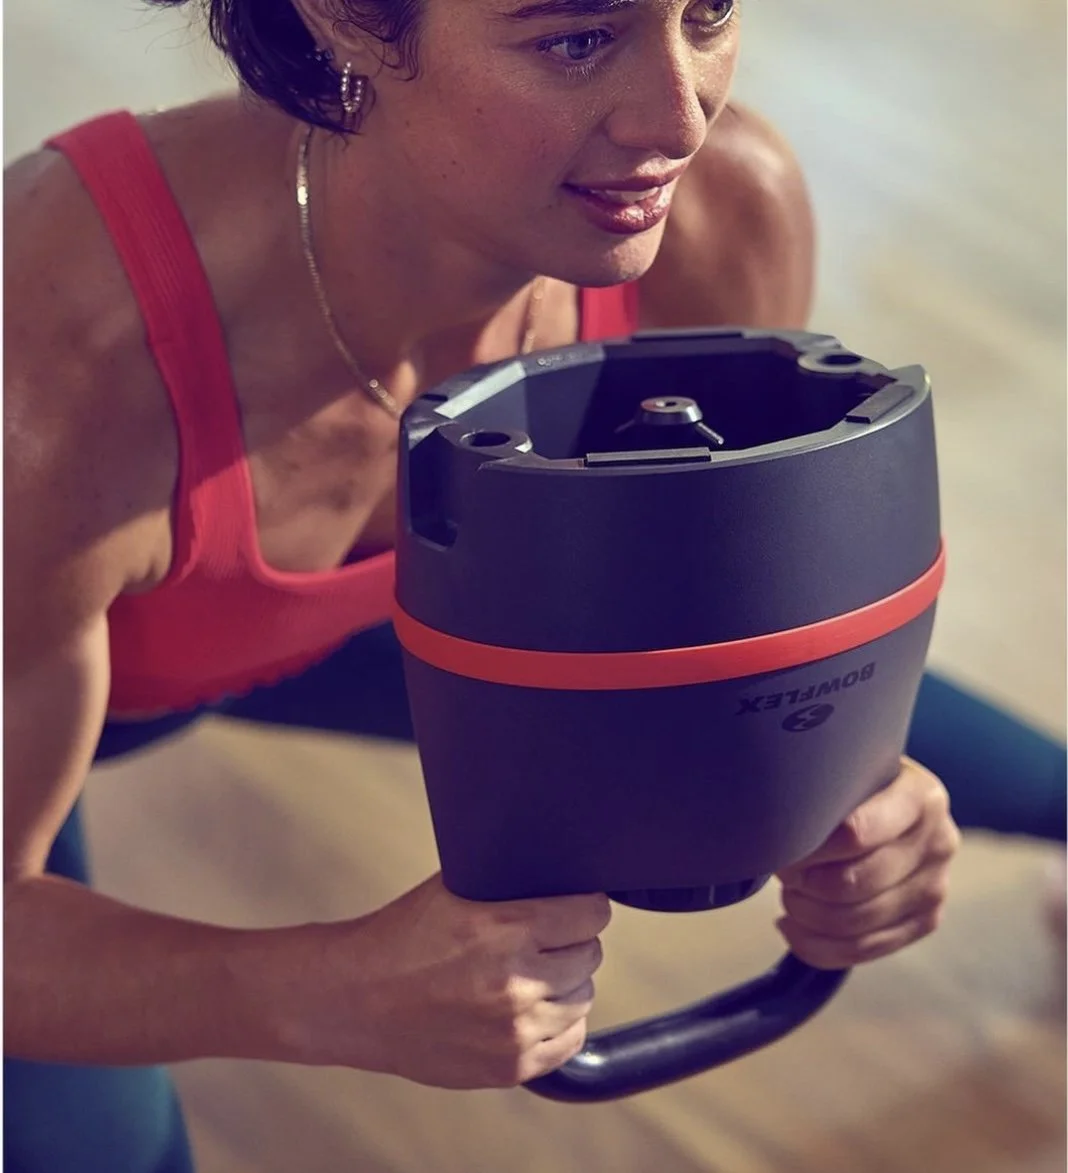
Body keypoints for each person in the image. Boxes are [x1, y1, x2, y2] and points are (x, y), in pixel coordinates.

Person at [3, 0, 1058, 1169]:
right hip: (75, 683)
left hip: (354, 620)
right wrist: (318, 989)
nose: (680, 120)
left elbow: (734, 643)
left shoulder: (721, 219)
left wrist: (863, 792)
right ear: (343, 18)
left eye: (705, 12)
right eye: (575, 40)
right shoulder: (57, 363)